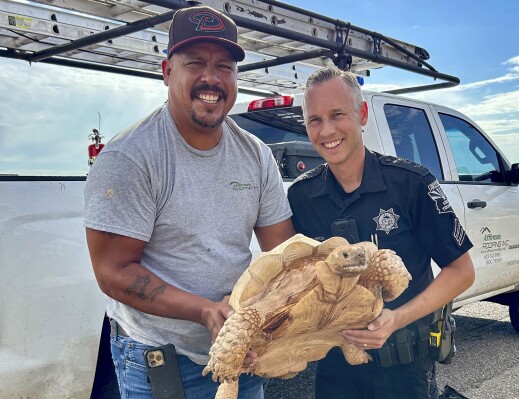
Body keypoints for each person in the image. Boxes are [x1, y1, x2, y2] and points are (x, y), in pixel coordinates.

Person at [84, 6, 294, 398]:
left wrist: (262, 314)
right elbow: (112, 271)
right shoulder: (131, 157)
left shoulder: (256, 155)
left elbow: (282, 254)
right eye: (195, 62)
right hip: (161, 362)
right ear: (167, 72)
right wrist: (204, 310)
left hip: (241, 354)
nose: (211, 78)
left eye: (225, 66)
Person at [287, 66, 476, 399]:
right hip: (335, 371)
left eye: (337, 114)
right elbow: (295, 283)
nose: (326, 130)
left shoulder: (411, 184)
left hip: (403, 368)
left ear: (361, 114)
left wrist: (396, 319)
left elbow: (462, 272)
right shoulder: (302, 196)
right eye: (314, 119)